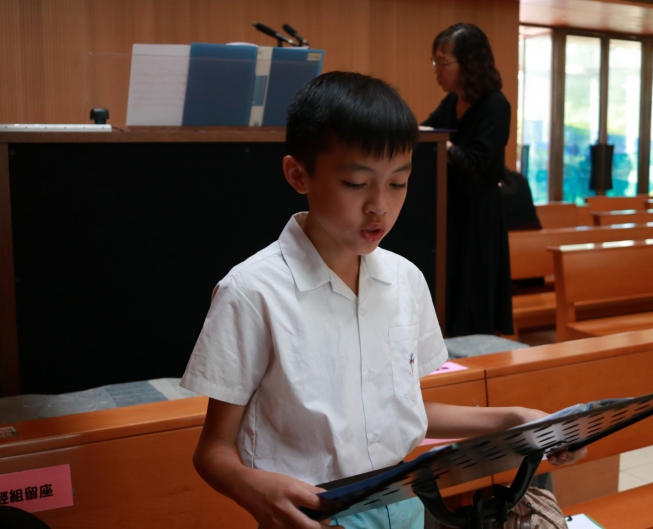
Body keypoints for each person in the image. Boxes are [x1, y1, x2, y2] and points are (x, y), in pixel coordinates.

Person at [181, 72, 586, 529]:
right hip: (314, 514)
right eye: (357, 183)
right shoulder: (251, 291)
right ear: (298, 175)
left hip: (405, 504)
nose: (380, 206)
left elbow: (403, 412)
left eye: (398, 183)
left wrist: (515, 418)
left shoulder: (405, 279)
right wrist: (254, 489)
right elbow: (213, 449)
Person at [423, 23, 514, 337]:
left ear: (469, 64)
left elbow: (477, 163)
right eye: (435, 62)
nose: (437, 70)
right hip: (450, 210)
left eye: (443, 62)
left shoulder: (496, 105)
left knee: (474, 294)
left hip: (479, 215)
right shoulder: (451, 102)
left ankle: (476, 356)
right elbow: (426, 133)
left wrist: (443, 144)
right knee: (448, 291)